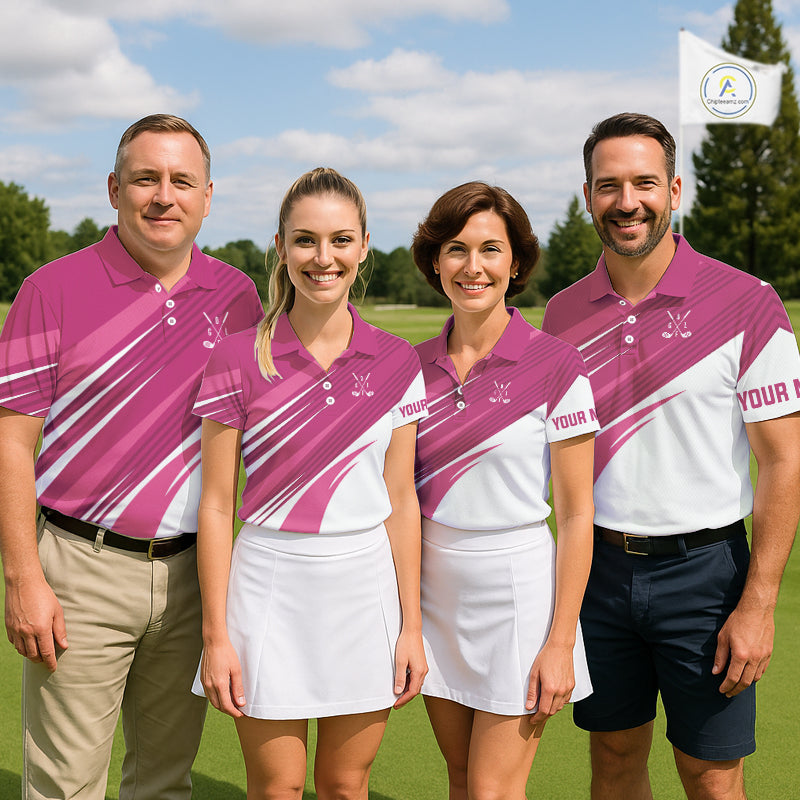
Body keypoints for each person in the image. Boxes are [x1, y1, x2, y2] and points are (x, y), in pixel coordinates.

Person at [0, 114, 264, 800]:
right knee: (64, 786)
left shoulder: (238, 296)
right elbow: (10, 442)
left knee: (164, 783)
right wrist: (23, 577)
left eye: (182, 180)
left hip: (193, 576)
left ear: (208, 196)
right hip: (79, 571)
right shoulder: (51, 289)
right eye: (146, 178)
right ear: (115, 189)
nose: (163, 196)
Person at [542, 112, 800, 800]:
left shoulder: (749, 303)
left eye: (644, 183)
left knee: (711, 775)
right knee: (613, 757)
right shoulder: (562, 314)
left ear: (675, 190)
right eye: (608, 186)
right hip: (597, 571)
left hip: (707, 575)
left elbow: (783, 462)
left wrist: (759, 603)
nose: (626, 201)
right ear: (588, 196)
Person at [193, 167, 427, 800]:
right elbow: (216, 505)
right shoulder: (236, 356)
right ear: (281, 247)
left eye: (341, 240)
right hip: (266, 587)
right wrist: (216, 636)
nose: (324, 258)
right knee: (277, 788)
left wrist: (411, 626)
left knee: (346, 785)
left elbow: (401, 501)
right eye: (305, 240)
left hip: (364, 588)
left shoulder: (397, 359)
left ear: (364, 247)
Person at [410, 182, 596, 799]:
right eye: (456, 249)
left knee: (493, 790)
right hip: (434, 597)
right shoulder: (407, 368)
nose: (473, 266)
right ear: (436, 261)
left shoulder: (559, 365)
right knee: (462, 779)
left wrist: (561, 641)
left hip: (518, 597)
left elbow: (577, 515)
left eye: (491, 248)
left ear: (515, 263)